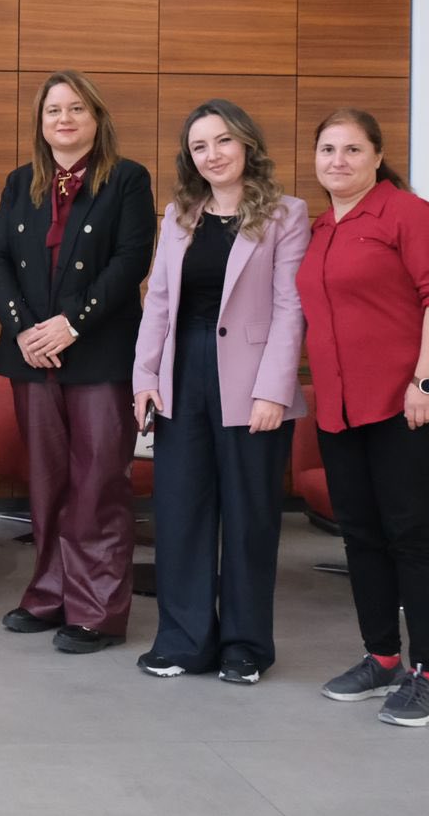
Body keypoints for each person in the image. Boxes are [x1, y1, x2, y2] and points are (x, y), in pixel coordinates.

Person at [130, 99, 307, 684]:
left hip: (253, 381)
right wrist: (146, 379)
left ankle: (246, 646)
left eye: (223, 141)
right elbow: (158, 303)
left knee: (251, 516)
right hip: (184, 375)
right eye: (200, 146)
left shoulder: (287, 214)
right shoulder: (179, 215)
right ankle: (184, 640)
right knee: (180, 511)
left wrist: (274, 391)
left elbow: (289, 309)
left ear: (247, 144)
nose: (213, 155)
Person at [299, 107, 429, 727]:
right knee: (361, 537)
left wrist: (425, 379)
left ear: (376, 156)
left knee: (411, 538)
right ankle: (382, 659)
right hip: (342, 409)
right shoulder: (321, 228)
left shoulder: (407, 213)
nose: (337, 161)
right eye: (327, 150)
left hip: (409, 404)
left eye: (351, 150)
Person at [0, 70, 154, 654]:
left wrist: (71, 324)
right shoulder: (19, 183)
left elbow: (131, 261)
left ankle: (97, 611)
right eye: (53, 110)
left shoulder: (128, 180)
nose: (64, 119)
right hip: (33, 355)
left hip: (100, 355)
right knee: (48, 481)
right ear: (40, 122)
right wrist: (24, 327)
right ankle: (50, 594)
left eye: (76, 109)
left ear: (96, 118)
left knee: (99, 483)